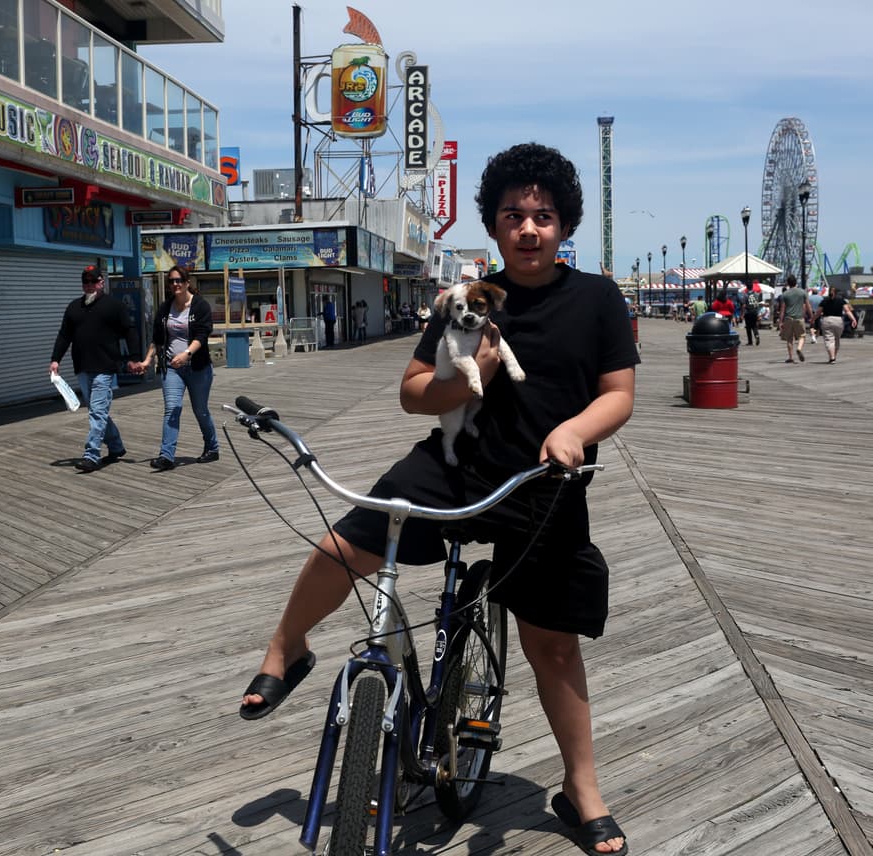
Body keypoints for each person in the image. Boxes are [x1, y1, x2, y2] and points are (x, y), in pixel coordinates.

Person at [238, 142, 637, 855]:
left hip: (545, 481)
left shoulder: (597, 299)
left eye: (543, 216)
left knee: (553, 645)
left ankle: (582, 790)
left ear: (563, 226)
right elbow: (412, 392)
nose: (528, 229)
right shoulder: (463, 301)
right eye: (514, 214)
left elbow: (618, 395)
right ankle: (285, 648)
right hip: (456, 466)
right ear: (493, 224)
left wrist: (574, 432)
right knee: (345, 545)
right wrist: (467, 377)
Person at [49, 265, 140, 473]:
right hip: (82, 367)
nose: (89, 285)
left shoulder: (114, 306)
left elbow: (129, 331)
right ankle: (116, 447)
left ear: (102, 282)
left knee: (97, 411)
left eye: (93, 281)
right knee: (96, 411)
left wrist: (134, 358)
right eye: (85, 282)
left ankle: (91, 455)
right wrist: (55, 359)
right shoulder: (73, 308)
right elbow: (64, 335)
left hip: (105, 368)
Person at [135, 265, 219, 470]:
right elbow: (157, 339)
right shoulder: (165, 308)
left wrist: (187, 353)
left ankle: (212, 447)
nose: (175, 284)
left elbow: (202, 334)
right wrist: (147, 361)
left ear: (187, 282)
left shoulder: (200, 306)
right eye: (171, 281)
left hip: (198, 367)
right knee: (172, 408)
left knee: (200, 410)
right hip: (172, 368)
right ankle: (166, 456)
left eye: (179, 280)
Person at [813, 289, 857, 363]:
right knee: (837, 339)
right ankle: (833, 357)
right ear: (837, 293)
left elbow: (818, 312)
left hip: (827, 320)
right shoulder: (842, 300)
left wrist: (812, 319)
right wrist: (853, 319)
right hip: (838, 321)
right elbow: (847, 311)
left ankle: (832, 357)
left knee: (829, 339)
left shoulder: (824, 301)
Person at [775, 275, 811, 363]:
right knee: (802, 336)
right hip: (799, 318)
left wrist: (780, 321)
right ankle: (799, 348)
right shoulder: (802, 292)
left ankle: (791, 357)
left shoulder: (785, 294)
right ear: (796, 282)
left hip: (788, 318)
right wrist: (811, 316)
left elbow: (782, 309)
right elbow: (808, 305)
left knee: (789, 338)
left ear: (788, 283)